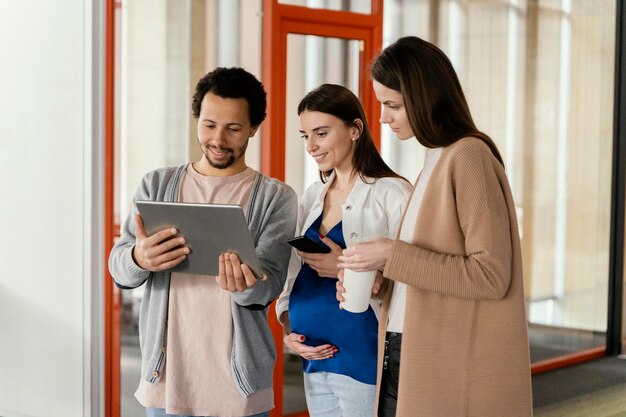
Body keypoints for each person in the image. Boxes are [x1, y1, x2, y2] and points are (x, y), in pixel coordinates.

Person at [336, 36, 533, 417]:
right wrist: (383, 283)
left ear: (425, 97)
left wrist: (392, 254)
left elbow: (490, 275)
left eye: (392, 105)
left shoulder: (468, 157)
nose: (383, 118)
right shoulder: (435, 160)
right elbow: (430, 271)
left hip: (440, 360)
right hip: (405, 350)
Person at [108, 67, 298, 417]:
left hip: (238, 387)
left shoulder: (275, 198)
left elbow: (268, 286)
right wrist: (138, 258)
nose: (218, 139)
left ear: (254, 128)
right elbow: (119, 267)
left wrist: (245, 285)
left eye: (233, 128)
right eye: (209, 125)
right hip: (165, 381)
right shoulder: (156, 184)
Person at [275, 83, 412, 417]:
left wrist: (345, 266)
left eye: (320, 133)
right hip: (313, 353)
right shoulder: (313, 194)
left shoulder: (392, 193)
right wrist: (288, 330)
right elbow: (295, 273)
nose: (311, 146)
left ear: (355, 129)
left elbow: (412, 277)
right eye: (304, 135)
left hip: (360, 353)